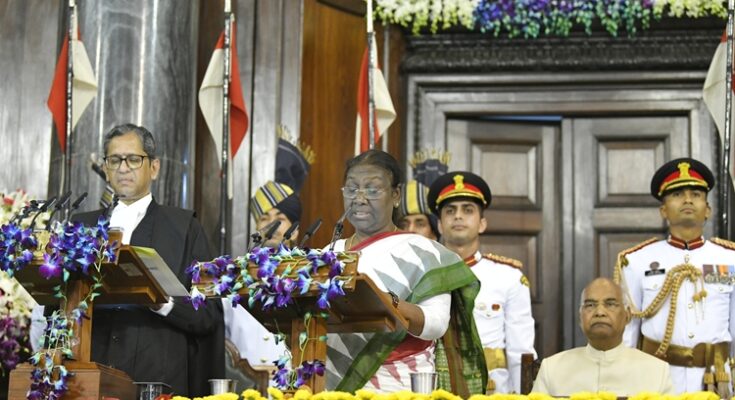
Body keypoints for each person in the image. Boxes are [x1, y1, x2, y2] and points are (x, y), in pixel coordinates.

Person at [72, 124, 224, 396]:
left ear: (154, 168)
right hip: (88, 376)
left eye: (133, 159)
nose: (123, 168)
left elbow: (208, 315)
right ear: (105, 169)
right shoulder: (82, 228)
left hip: (157, 378)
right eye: (114, 160)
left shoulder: (185, 228)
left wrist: (160, 301)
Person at [324, 150, 486, 394]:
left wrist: (389, 302)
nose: (359, 198)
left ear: (396, 195)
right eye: (351, 188)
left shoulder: (425, 252)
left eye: (372, 189)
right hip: (331, 386)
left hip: (398, 386)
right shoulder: (326, 253)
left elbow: (436, 324)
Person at [615, 157, 735, 396]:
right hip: (656, 381)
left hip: (715, 380)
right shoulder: (637, 261)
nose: (688, 199)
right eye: (678, 194)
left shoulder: (730, 258)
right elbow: (629, 332)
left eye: (696, 194)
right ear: (663, 210)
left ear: (708, 210)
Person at [427, 171, 536, 394]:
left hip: (492, 392)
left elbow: (520, 351)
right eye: (450, 211)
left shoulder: (508, 277)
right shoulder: (421, 273)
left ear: (482, 223)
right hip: (434, 388)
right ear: (439, 225)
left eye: (468, 210)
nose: (458, 216)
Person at [531, 278, 674, 395]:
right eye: (590, 305)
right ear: (580, 317)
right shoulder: (552, 369)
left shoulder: (657, 371)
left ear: (628, 316)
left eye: (610, 304)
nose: (600, 312)